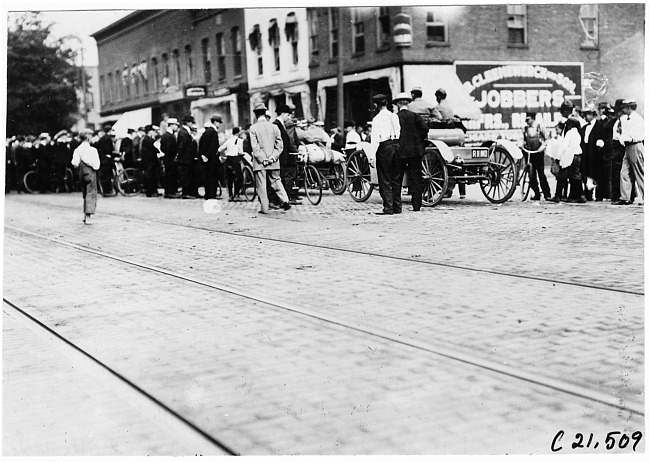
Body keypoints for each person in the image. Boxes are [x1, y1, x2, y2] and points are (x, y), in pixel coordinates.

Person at [248, 103, 291, 214]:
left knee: (261, 185)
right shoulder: (274, 127)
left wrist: (263, 159)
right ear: (265, 112)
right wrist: (272, 157)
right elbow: (280, 145)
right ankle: (285, 200)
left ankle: (264, 208)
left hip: (260, 163)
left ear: (256, 115)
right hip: (274, 161)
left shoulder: (253, 128)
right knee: (276, 181)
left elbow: (255, 147)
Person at [394, 92, 429, 212]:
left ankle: (397, 206)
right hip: (415, 151)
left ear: (398, 104)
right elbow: (425, 129)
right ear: (408, 103)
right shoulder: (415, 116)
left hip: (400, 151)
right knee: (416, 177)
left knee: (397, 178)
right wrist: (418, 140)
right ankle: (416, 206)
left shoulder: (395, 117)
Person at [371, 93, 402, 215]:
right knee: (396, 178)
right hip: (396, 145)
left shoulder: (377, 119)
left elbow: (375, 139)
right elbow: (399, 131)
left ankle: (388, 208)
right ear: (386, 103)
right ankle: (397, 207)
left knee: (384, 179)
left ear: (375, 105)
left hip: (385, 147)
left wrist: (372, 156)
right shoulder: (394, 116)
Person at [551, 100, 586, 203]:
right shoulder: (577, 131)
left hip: (569, 155)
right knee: (575, 175)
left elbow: (564, 145)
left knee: (562, 175)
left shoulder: (569, 130)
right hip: (577, 154)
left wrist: (558, 157)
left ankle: (558, 196)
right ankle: (581, 195)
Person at [615, 99, 644, 206]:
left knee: (639, 172)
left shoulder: (637, 119)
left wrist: (623, 137)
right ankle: (625, 197)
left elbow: (634, 135)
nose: (622, 110)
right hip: (627, 147)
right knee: (624, 172)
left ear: (629, 108)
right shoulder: (625, 119)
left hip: (635, 145)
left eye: (624, 107)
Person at [70, 129, 100, 224]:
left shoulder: (77, 150)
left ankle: (84, 214)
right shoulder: (92, 150)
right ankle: (88, 216)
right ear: (88, 137)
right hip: (90, 172)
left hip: (81, 172)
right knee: (91, 193)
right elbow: (96, 165)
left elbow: (75, 163)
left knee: (85, 193)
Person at [273, 104, 301, 205]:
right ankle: (277, 201)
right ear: (283, 114)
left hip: (283, 157)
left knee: (281, 178)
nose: (289, 117)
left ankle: (281, 200)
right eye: (288, 115)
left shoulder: (281, 125)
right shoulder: (276, 125)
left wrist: (297, 151)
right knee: (278, 179)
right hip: (279, 157)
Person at [523, 113, 551, 200]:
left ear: (532, 119)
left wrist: (543, 147)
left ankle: (547, 194)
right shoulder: (525, 129)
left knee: (541, 174)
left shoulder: (540, 127)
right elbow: (522, 139)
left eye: (528, 120)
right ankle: (536, 193)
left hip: (538, 153)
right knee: (531, 175)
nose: (526, 122)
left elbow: (547, 139)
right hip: (529, 153)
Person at [218, 126, 245, 201]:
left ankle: (230, 195)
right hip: (235, 160)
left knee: (229, 178)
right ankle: (236, 194)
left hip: (228, 160)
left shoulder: (228, 140)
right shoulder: (240, 141)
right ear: (238, 133)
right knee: (239, 177)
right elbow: (240, 152)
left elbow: (220, 149)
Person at [177, 115, 200, 199]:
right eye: (191, 122)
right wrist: (179, 156)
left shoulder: (184, 131)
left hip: (186, 159)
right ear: (188, 123)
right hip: (185, 159)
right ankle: (185, 193)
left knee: (187, 176)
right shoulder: (184, 132)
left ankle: (188, 192)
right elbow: (182, 146)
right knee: (186, 176)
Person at [199, 114, 222, 200]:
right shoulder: (213, 132)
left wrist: (203, 155)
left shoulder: (206, 132)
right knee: (213, 177)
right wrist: (211, 156)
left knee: (207, 177)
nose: (219, 125)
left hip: (206, 159)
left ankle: (208, 194)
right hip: (212, 159)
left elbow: (201, 144)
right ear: (215, 122)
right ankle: (212, 194)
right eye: (219, 123)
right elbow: (213, 147)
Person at [161, 118, 180, 198]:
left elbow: (162, 148)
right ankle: (171, 192)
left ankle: (167, 192)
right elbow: (169, 148)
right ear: (171, 125)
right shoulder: (170, 136)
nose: (176, 127)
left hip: (167, 158)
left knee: (168, 176)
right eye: (176, 125)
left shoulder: (164, 135)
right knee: (171, 176)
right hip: (171, 159)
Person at [140, 124, 161, 197]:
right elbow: (155, 148)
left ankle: (152, 191)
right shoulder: (149, 140)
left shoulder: (145, 139)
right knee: (151, 177)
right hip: (150, 162)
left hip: (148, 161)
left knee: (152, 176)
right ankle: (151, 191)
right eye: (152, 131)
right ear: (149, 131)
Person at [96, 125, 116, 194]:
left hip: (102, 160)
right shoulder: (108, 139)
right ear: (110, 131)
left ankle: (104, 190)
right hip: (107, 161)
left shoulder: (101, 138)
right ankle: (108, 190)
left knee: (104, 176)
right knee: (107, 176)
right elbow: (108, 151)